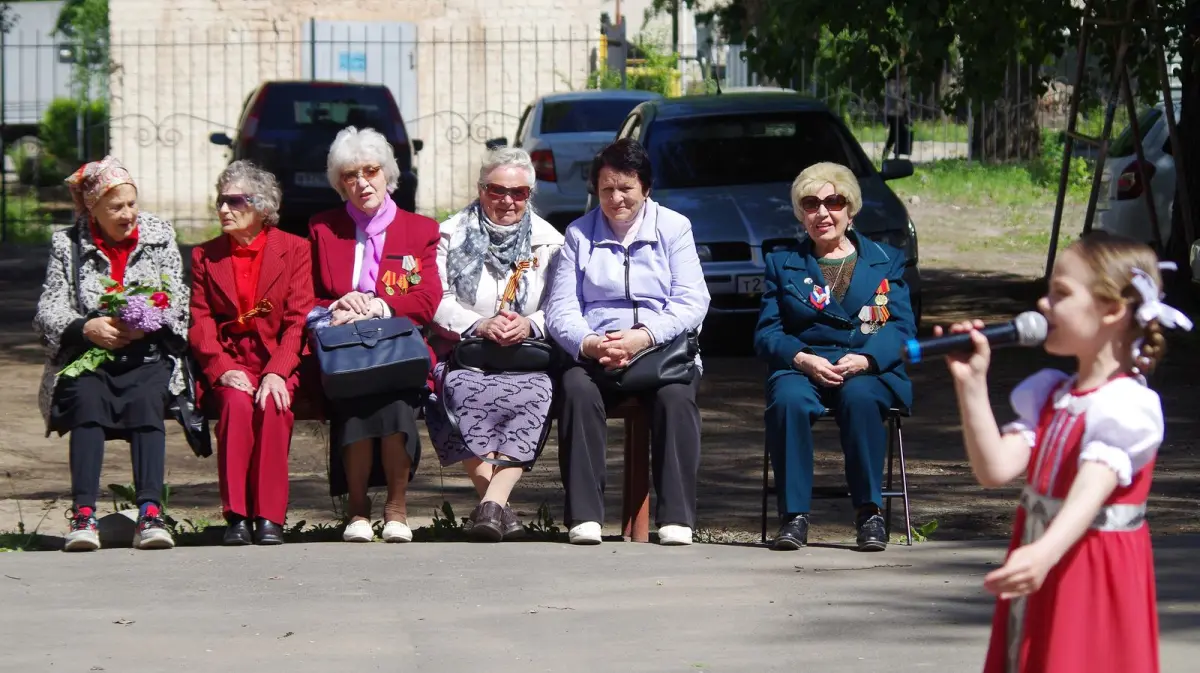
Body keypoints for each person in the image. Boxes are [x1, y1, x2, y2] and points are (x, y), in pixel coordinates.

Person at [939, 232, 1191, 673]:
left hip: (1090, 566)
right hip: (1045, 554)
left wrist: (1044, 551)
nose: (1043, 305)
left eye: (1060, 294)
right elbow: (994, 468)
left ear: (1112, 309)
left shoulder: (1126, 405)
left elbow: (1091, 490)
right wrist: (971, 384)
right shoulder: (1051, 393)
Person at [544, 138, 710, 546]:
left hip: (661, 350)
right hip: (598, 351)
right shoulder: (578, 235)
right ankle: (584, 516)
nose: (616, 198)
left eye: (626, 188)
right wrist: (590, 343)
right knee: (575, 390)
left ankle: (676, 519)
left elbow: (693, 301)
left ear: (646, 188)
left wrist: (642, 337)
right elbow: (560, 309)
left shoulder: (675, 228)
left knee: (676, 396)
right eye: (606, 189)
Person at [755, 161, 916, 552]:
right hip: (806, 364)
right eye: (811, 204)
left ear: (851, 209)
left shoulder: (885, 260)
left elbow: (901, 328)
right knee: (788, 400)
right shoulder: (784, 264)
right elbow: (768, 332)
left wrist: (867, 361)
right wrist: (803, 360)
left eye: (834, 201)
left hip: (865, 364)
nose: (823, 213)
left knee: (860, 398)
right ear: (801, 213)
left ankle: (870, 513)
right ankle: (793, 517)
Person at [34, 156, 189, 551]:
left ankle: (150, 514)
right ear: (93, 208)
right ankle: (84, 515)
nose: (128, 214)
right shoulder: (67, 244)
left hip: (146, 355)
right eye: (116, 207)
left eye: (132, 204)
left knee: (145, 401)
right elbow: (48, 309)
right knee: (85, 399)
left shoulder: (158, 236)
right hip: (91, 356)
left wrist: (150, 320)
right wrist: (86, 327)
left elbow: (179, 299)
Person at [309, 126, 442, 544]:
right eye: (350, 175)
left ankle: (397, 509)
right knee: (354, 397)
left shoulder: (419, 229)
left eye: (371, 171)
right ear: (339, 183)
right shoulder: (322, 228)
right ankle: (357, 510)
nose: (362, 182)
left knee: (396, 398)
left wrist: (381, 305)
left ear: (387, 174)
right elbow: (305, 295)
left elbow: (427, 296)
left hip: (397, 348)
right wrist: (336, 306)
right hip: (344, 349)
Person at [425, 147, 564, 542]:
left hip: (527, 359)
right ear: (480, 188)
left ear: (530, 194)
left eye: (519, 193)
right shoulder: (449, 235)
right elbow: (438, 299)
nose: (507, 200)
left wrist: (529, 324)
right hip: (464, 354)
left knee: (539, 394)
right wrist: (480, 324)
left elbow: (560, 304)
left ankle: (489, 505)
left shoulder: (548, 242)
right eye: (497, 190)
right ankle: (499, 507)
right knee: (453, 391)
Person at [189, 161, 314, 546]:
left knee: (275, 407)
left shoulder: (294, 250)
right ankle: (237, 516)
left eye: (234, 201)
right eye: (220, 201)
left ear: (261, 206)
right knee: (236, 407)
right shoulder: (205, 256)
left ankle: (270, 517)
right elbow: (200, 321)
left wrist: (277, 371)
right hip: (231, 360)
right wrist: (221, 368)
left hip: (277, 358)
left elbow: (298, 320)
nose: (223, 209)